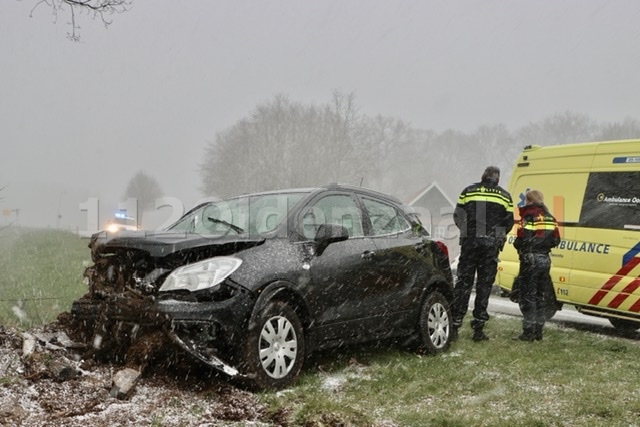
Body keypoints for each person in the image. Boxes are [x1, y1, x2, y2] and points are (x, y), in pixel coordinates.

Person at [452, 166, 514, 341]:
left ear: (483, 176)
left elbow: (457, 215)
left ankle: (455, 324)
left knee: (463, 284)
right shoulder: (504, 196)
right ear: (497, 179)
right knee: (484, 286)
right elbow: (508, 221)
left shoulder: (468, 191)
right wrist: (496, 237)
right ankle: (478, 329)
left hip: (470, 244)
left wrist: (467, 232)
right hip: (490, 246)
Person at [513, 189, 560, 341]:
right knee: (540, 296)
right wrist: (543, 245)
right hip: (545, 260)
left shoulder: (528, 216)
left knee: (528, 296)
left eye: (527, 200)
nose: (525, 203)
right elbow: (556, 240)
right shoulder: (550, 217)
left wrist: (520, 245)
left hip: (530, 260)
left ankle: (528, 332)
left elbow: (522, 238)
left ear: (531, 200)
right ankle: (538, 331)